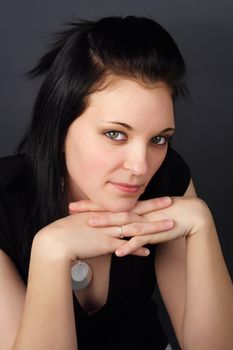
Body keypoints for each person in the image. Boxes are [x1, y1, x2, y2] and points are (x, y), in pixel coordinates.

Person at [0, 15, 232, 350]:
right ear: (60, 125)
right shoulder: (5, 201)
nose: (140, 166)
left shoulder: (168, 179)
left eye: (159, 139)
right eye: (115, 134)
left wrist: (201, 224)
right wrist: (51, 252)